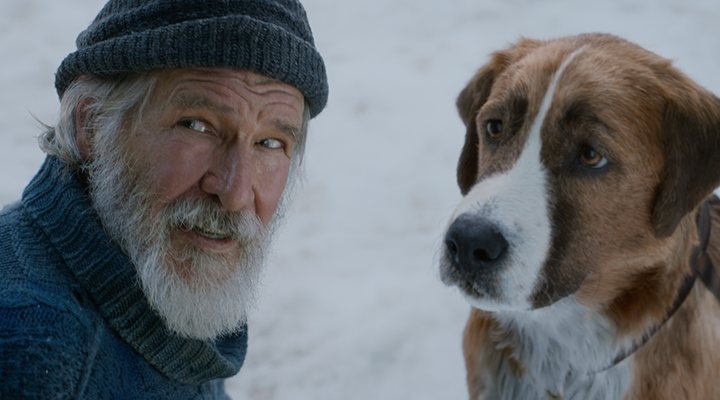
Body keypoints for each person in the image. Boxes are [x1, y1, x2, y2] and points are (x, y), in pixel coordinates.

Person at [0, 0, 328, 398]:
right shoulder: (34, 350)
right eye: (197, 125)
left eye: (270, 143)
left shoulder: (161, 281)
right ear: (92, 124)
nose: (235, 192)